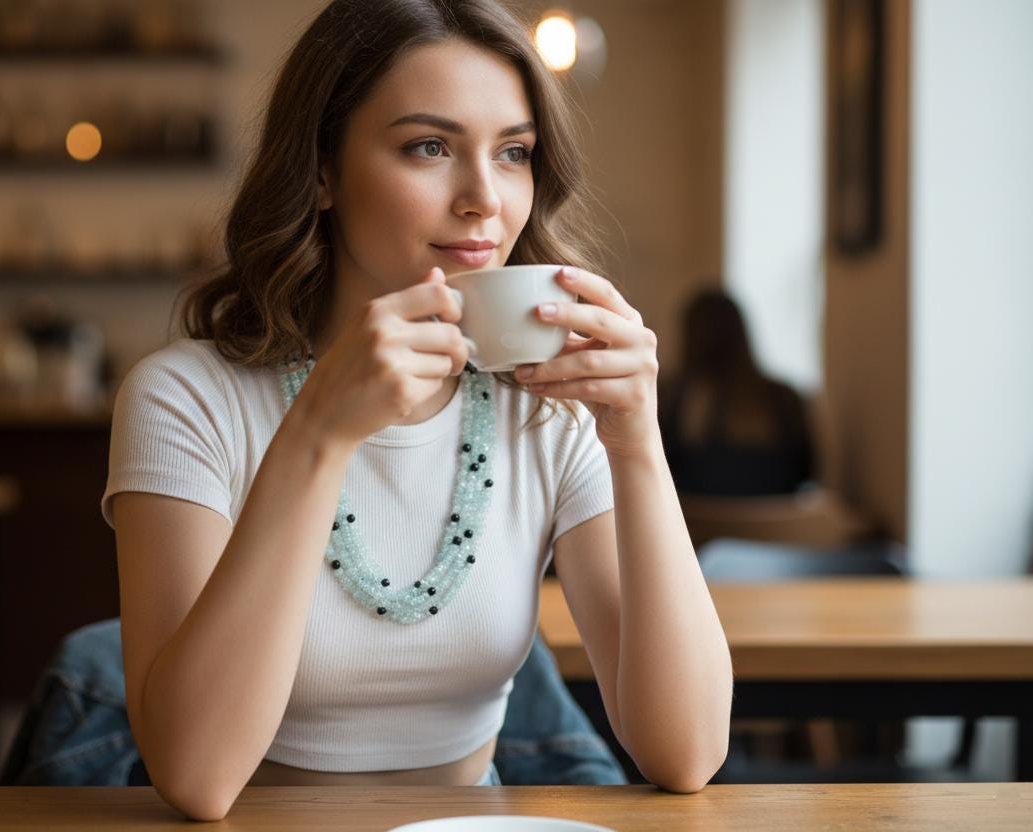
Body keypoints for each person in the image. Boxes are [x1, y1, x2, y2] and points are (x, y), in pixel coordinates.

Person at [102, 0, 732, 820]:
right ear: (322, 171)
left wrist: (637, 442)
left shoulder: (551, 408)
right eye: (428, 147)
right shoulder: (185, 400)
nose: (483, 200)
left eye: (513, 153)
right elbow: (195, 775)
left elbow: (686, 752)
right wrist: (321, 433)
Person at [658, 288, 815, 497]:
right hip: (776, 525)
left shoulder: (670, 397)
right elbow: (806, 472)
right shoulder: (784, 397)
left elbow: (660, 475)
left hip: (695, 524)